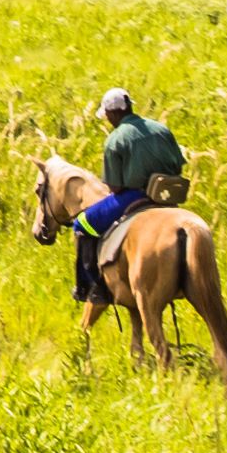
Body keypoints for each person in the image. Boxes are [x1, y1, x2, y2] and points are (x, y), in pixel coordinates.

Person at [74, 84, 184, 304]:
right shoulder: (161, 129)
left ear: (114, 113)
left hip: (135, 196)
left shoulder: (116, 140)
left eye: (107, 115)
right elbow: (179, 165)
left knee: (81, 223)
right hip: (167, 194)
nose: (108, 120)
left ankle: (93, 288)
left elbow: (114, 187)